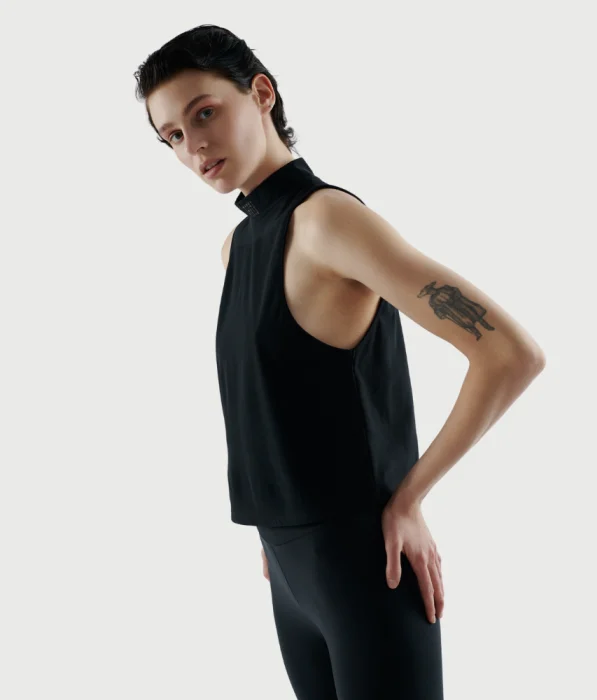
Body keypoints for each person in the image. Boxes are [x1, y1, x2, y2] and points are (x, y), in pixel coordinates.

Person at [135, 24, 546, 700]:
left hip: (366, 564)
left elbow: (509, 353)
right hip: (288, 569)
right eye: (172, 136)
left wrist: (410, 499)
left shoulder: (327, 220)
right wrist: (275, 529)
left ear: (261, 93)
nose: (193, 146)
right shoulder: (238, 247)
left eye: (204, 113)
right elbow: (275, 401)